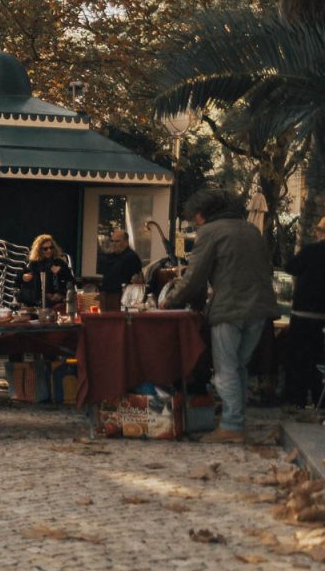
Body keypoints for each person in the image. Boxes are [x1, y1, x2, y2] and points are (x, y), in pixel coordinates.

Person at [164, 188, 279, 443]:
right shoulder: (251, 230)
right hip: (259, 309)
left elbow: (194, 278)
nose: (195, 223)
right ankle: (234, 417)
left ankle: (231, 426)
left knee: (224, 369)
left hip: (229, 309)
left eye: (195, 218)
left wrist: (169, 301)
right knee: (239, 366)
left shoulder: (210, 232)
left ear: (202, 215)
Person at [283, 216, 325, 406]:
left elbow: (290, 267)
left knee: (297, 360)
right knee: (319, 360)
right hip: (322, 317)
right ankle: (319, 400)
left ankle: (295, 399)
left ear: (320, 233)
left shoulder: (311, 250)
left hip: (303, 314)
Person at [97, 229, 142, 313]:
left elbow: (134, 280)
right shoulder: (110, 257)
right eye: (112, 241)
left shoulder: (131, 257)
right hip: (106, 296)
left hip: (120, 298)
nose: (114, 244)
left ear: (126, 242)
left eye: (117, 241)